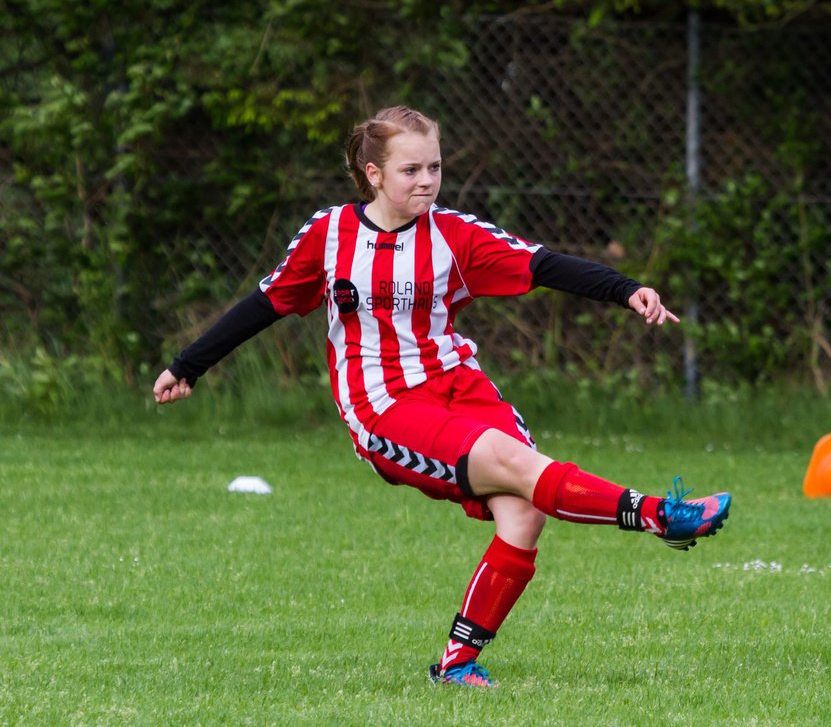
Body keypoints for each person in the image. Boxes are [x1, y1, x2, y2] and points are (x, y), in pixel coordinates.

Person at [152, 105, 731, 689]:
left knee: (524, 512)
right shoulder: (329, 235)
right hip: (384, 407)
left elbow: (543, 264)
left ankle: (456, 665)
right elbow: (266, 303)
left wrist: (627, 290)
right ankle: (662, 516)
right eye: (410, 170)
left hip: (461, 386)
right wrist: (188, 366)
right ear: (373, 174)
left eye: (434, 166)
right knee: (516, 464)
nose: (427, 180)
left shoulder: (455, 235)